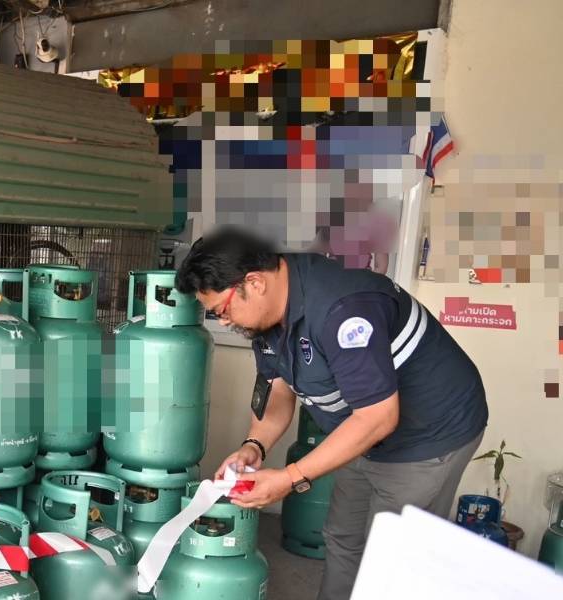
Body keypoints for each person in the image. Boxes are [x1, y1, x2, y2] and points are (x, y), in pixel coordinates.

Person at [175, 226, 487, 599]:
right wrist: (253, 446)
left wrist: (290, 478)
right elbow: (277, 389)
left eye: (222, 311)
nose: (224, 322)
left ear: (254, 283)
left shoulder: (343, 310)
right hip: (361, 428)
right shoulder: (267, 312)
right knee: (343, 535)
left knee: (392, 558)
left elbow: (378, 418)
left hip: (429, 433)